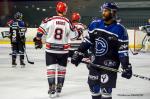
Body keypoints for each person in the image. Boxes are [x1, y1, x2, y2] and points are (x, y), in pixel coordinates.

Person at [71, 2, 132, 99]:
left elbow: (122, 51)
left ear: (113, 12)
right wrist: (79, 52)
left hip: (110, 65)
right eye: (103, 10)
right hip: (95, 63)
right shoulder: (95, 24)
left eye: (106, 11)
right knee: (93, 88)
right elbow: (87, 41)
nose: (103, 13)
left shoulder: (120, 29)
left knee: (106, 91)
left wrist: (126, 66)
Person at [33, 1, 78, 98]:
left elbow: (40, 31)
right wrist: (78, 32)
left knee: (51, 69)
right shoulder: (68, 21)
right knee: (62, 69)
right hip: (63, 50)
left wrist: (38, 40)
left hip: (50, 49)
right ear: (65, 10)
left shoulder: (49, 20)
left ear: (57, 9)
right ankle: (59, 87)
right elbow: (74, 37)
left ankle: (51, 87)